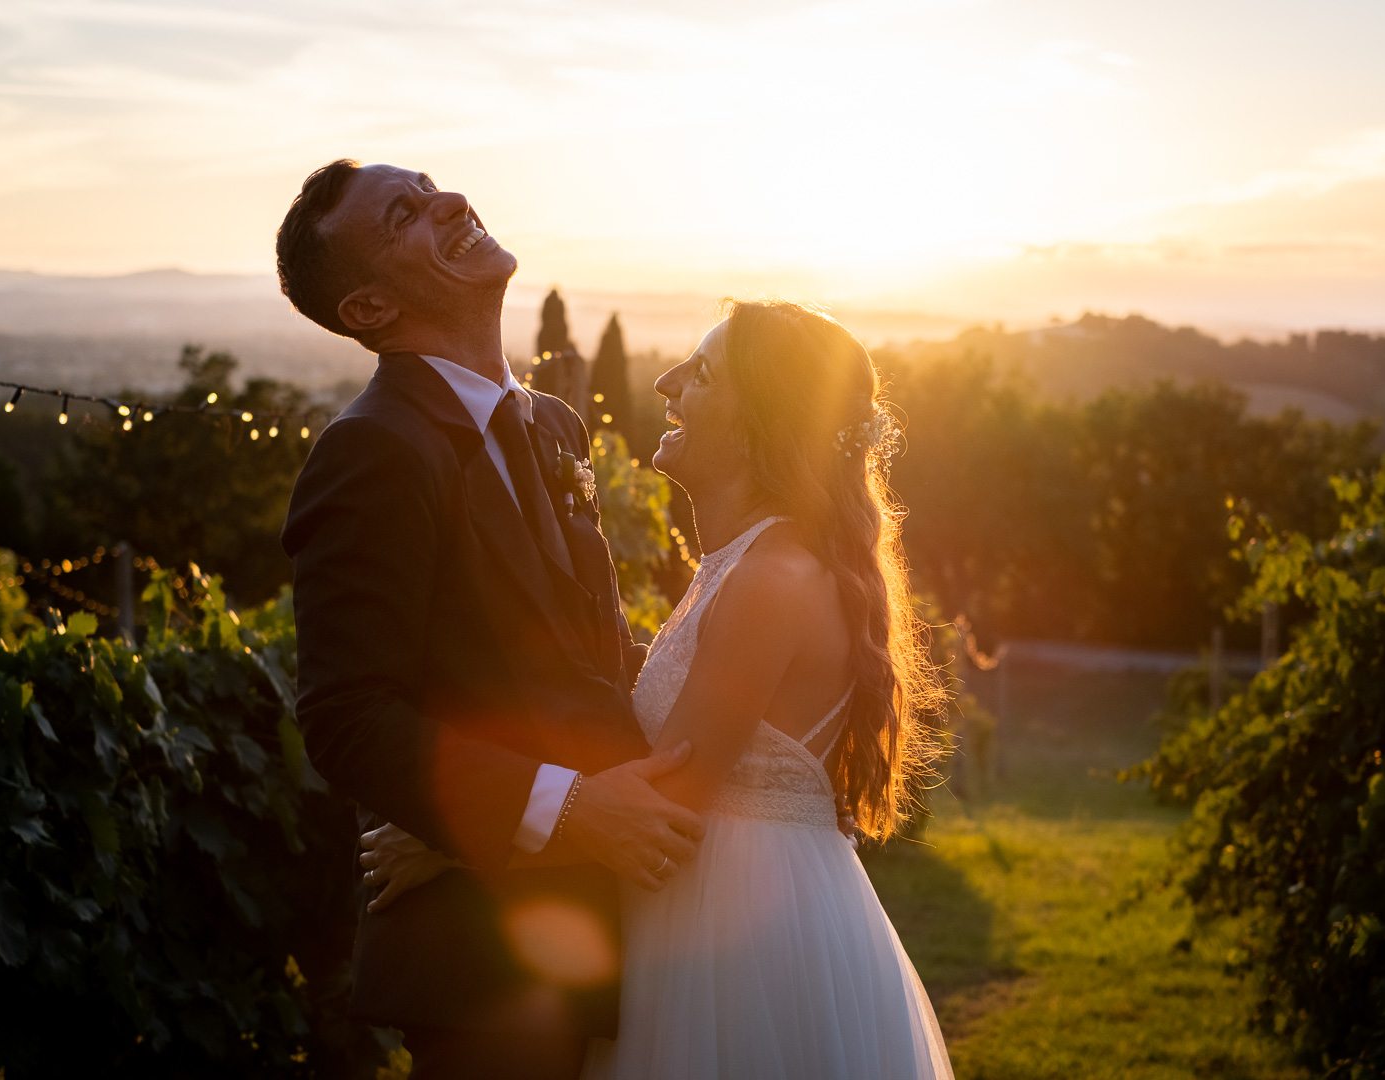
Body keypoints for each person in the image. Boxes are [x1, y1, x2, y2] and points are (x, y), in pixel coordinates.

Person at [371, 300, 955, 1078]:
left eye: (702, 371)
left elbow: (667, 806)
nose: (667, 381)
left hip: (737, 936)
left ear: (762, 423)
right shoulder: (750, 563)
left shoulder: (772, 577)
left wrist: (453, 847)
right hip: (711, 912)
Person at [276, 159, 707, 1080]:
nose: (449, 200)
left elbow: (578, 662)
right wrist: (570, 810)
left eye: (429, 183)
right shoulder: (370, 451)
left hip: (612, 916)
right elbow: (350, 719)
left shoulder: (554, 425)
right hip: (482, 970)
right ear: (367, 311)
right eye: (404, 214)